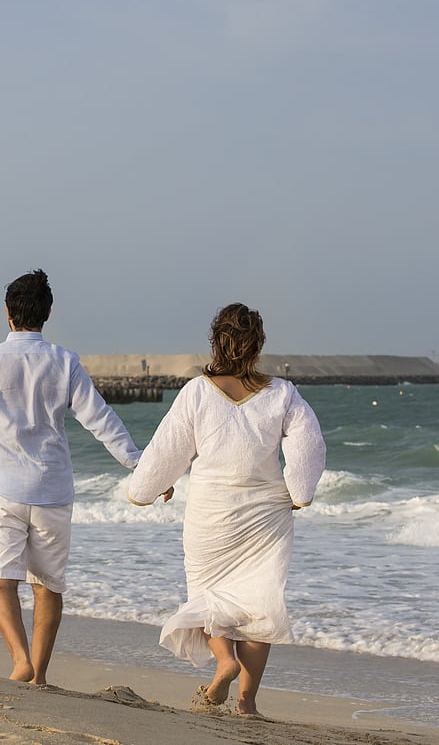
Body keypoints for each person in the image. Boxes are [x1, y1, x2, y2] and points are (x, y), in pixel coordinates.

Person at [0, 269, 142, 686]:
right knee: (47, 586)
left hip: (0, 489)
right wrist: (140, 465)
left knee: (0, 582)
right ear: (47, 313)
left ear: (7, 314)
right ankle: (40, 676)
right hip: (52, 490)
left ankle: (19, 660)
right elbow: (100, 420)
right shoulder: (65, 361)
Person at [126, 303, 325, 717]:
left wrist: (148, 486)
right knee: (260, 601)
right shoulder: (283, 393)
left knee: (206, 590)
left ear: (217, 341)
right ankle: (247, 702)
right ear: (258, 345)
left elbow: (169, 448)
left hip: (211, 512)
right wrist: (300, 491)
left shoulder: (198, 391)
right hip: (266, 513)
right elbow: (308, 443)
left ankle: (224, 660)